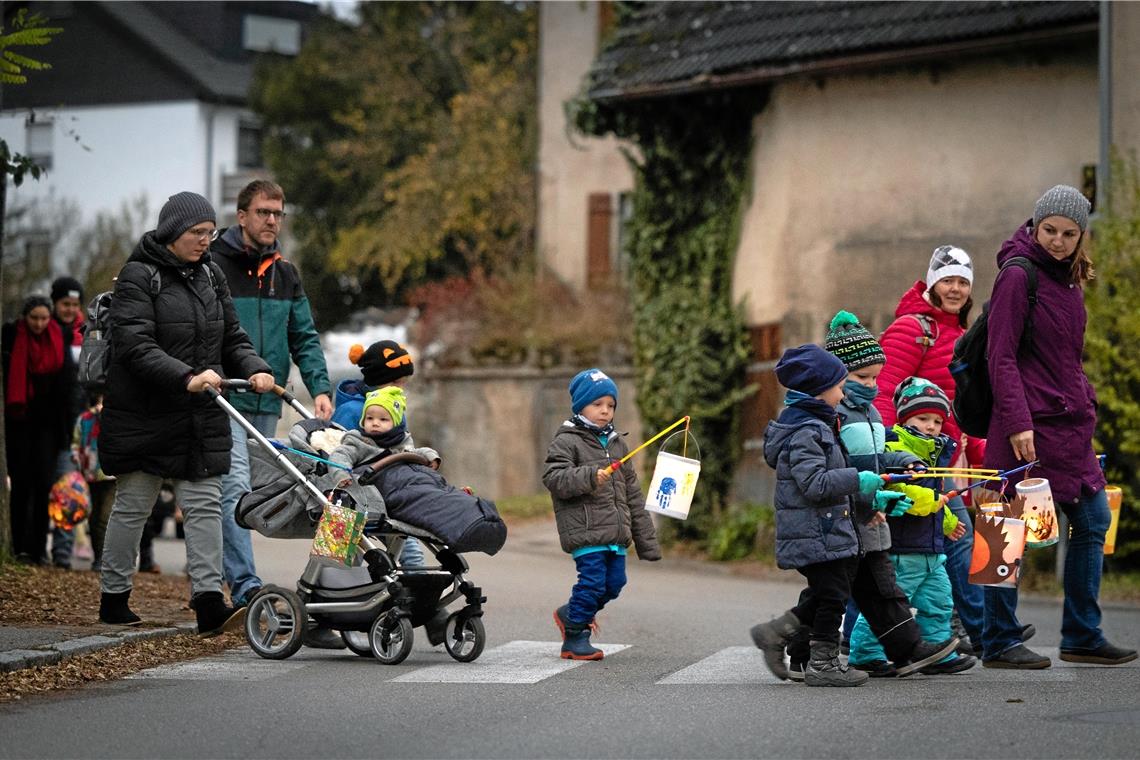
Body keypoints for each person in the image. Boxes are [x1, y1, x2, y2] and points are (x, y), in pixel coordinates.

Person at [97, 191, 275, 637]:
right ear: (173, 232)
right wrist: (187, 377)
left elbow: (232, 337)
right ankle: (114, 599)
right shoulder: (138, 278)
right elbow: (136, 347)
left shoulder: (210, 276)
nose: (205, 241)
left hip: (197, 415)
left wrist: (255, 368)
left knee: (204, 506)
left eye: (210, 233)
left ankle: (209, 603)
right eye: (198, 233)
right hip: (145, 415)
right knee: (134, 506)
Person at [981, 184, 1137, 668]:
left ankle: (1082, 635)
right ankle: (999, 640)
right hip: (1024, 425)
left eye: (1069, 233)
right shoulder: (1017, 275)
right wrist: (1017, 422)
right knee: (1005, 528)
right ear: (1035, 224)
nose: (1058, 240)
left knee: (1093, 518)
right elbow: (999, 356)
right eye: (1049, 229)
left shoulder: (1070, 281)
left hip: (1069, 426)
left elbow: (1065, 358)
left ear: (1081, 235)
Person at [752, 344, 954, 686]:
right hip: (817, 530)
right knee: (832, 596)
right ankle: (821, 663)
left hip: (832, 525)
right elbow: (815, 483)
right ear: (818, 391)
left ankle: (779, 635)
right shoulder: (805, 432)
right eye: (838, 385)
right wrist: (860, 481)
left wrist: (872, 500)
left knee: (829, 594)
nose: (843, 391)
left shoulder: (820, 424)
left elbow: (841, 471)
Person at [210, 179, 332, 612]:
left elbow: (304, 336)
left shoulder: (285, 273)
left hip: (267, 401)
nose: (272, 221)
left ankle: (216, 572)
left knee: (265, 496)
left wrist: (320, 387)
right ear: (241, 215)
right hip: (224, 398)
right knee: (235, 489)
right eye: (263, 212)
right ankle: (243, 585)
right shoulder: (213, 267)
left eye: (278, 213)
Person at [874, 244, 988, 655]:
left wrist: (976, 451)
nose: (955, 288)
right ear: (933, 283)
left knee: (944, 543)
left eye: (962, 281)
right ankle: (979, 630)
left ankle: (965, 626)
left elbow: (962, 405)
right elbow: (883, 390)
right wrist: (887, 451)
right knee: (949, 539)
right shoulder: (914, 328)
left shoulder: (960, 333)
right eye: (948, 280)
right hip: (910, 458)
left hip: (942, 457)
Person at [847, 377, 975, 675]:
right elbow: (910, 494)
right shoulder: (896, 447)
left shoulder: (934, 452)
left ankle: (936, 653)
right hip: (902, 550)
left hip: (931, 550)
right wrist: (936, 502)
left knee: (941, 602)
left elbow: (937, 499)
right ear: (906, 417)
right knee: (888, 608)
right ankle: (866, 654)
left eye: (937, 421)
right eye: (923, 418)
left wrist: (949, 522)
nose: (932, 426)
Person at [543, 368, 661, 661]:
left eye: (610, 405)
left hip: (616, 534)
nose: (605, 411)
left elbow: (632, 495)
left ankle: (570, 613)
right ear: (581, 405)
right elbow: (554, 478)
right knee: (593, 583)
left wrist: (647, 542)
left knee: (614, 584)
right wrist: (588, 477)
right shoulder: (567, 440)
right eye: (597, 405)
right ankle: (575, 636)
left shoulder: (618, 443)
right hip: (585, 530)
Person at [2, 296, 66, 564]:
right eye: (34, 318)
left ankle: (39, 548)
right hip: (19, 422)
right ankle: (20, 546)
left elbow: (66, 385)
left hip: (48, 426)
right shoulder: (11, 337)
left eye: (43, 318)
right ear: (25, 318)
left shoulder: (57, 338)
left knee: (43, 487)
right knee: (21, 486)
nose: (39, 324)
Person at [47, 276, 88, 568]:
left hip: (82, 427)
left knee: (74, 490)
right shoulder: (47, 333)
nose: (70, 309)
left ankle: (69, 550)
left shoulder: (86, 334)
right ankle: (60, 551)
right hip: (55, 428)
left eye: (75, 304)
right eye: (65, 304)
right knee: (64, 491)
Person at [72, 392, 114, 572]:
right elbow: (76, 443)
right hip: (90, 475)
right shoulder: (85, 419)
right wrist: (77, 460)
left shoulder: (114, 418)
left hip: (111, 476)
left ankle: (105, 560)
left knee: (105, 518)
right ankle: (98, 557)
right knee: (94, 517)